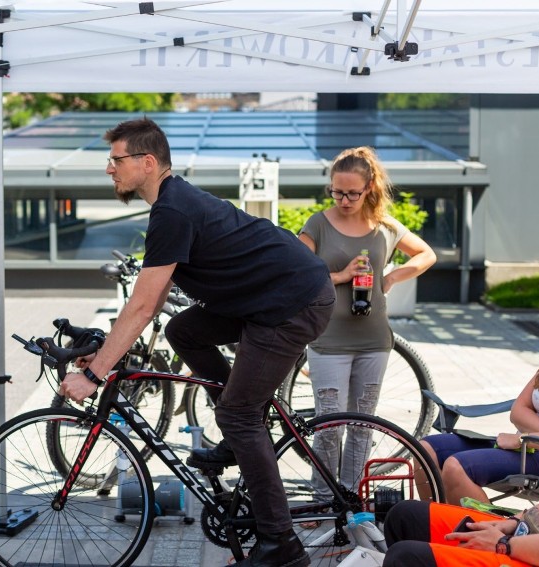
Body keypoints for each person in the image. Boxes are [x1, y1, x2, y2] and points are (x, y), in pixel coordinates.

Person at [59, 117, 336, 567]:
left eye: (116, 160)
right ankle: (241, 432)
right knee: (183, 330)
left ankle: (281, 546)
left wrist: (95, 373)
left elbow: (142, 306)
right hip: (269, 296)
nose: (109, 169)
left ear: (147, 163)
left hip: (292, 301)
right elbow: (149, 304)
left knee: (239, 414)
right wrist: (107, 349)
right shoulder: (171, 204)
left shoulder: (172, 210)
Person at [296, 146, 436, 516]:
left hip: (374, 341)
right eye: (337, 192)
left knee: (361, 425)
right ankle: (321, 502)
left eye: (352, 193)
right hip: (327, 342)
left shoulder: (385, 228)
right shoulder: (318, 224)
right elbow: (295, 273)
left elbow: (426, 254)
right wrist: (341, 277)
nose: (344, 200)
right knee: (328, 427)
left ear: (369, 187)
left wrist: (391, 276)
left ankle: (350, 499)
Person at [419, 294, 539, 506]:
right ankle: (433, 524)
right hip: (528, 447)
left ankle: (498, 536)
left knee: (456, 467)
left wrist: (526, 439)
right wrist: (536, 439)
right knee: (425, 451)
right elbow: (518, 409)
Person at [381, 419, 539, 567]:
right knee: (405, 516)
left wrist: (504, 544)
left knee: (404, 558)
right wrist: (517, 521)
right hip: (534, 533)